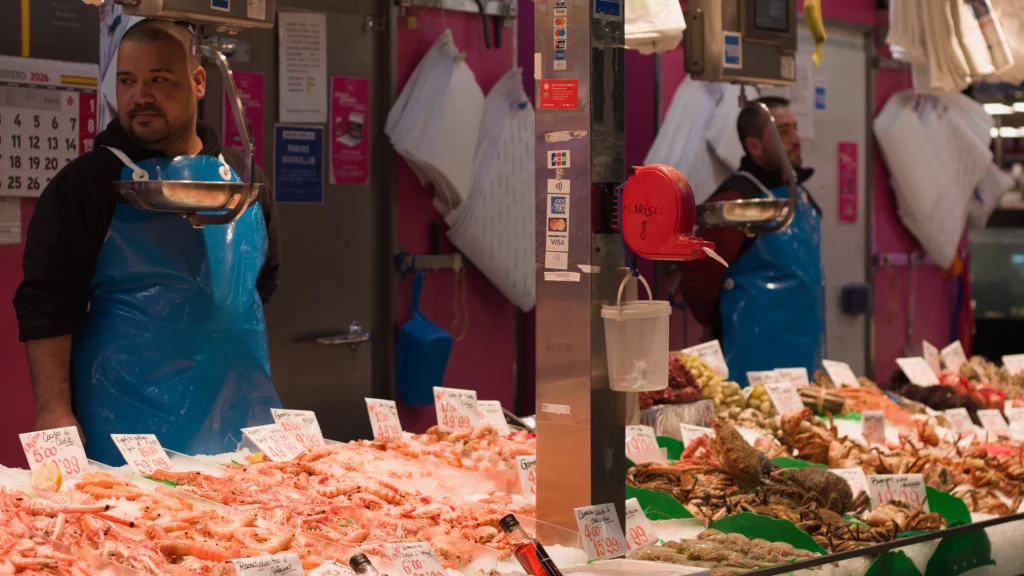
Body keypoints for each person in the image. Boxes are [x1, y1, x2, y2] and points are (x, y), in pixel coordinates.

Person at [14, 19, 283, 464]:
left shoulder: (243, 180)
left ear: (199, 82)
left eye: (159, 80)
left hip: (245, 423)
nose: (140, 96)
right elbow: (46, 304)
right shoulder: (85, 184)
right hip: (125, 426)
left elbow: (261, 287)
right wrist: (53, 410)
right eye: (127, 81)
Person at [678, 96, 824, 388]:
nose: (796, 139)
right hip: (750, 357)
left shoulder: (800, 196)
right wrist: (723, 323)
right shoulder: (734, 202)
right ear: (754, 146)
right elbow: (697, 281)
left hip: (807, 355)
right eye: (783, 132)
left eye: (795, 129)